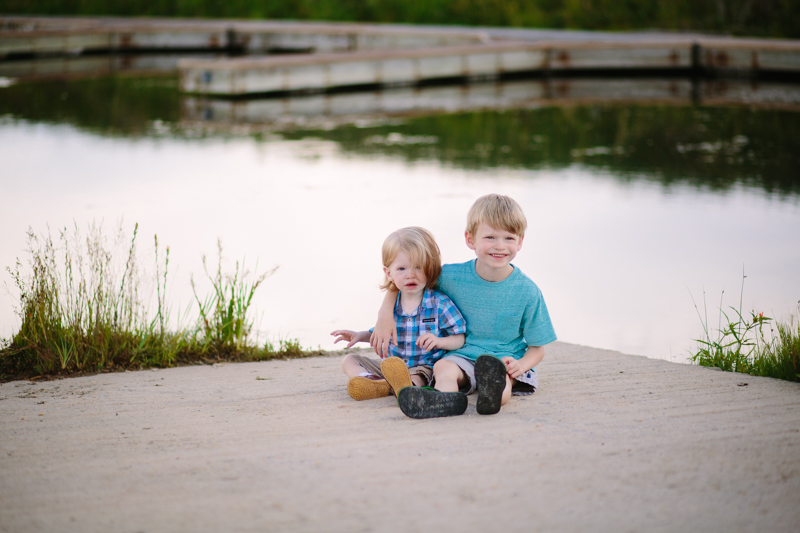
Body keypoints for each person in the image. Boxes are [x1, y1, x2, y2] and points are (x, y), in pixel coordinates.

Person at [371, 194, 557, 418]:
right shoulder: (451, 276)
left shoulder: (528, 291)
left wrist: (522, 365)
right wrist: (384, 313)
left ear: (520, 241)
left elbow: (538, 348)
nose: (500, 246)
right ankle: (444, 400)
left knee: (502, 380)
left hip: (505, 360)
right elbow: (409, 282)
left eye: (509, 238)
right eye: (489, 237)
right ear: (470, 239)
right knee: (442, 368)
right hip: (461, 356)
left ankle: (493, 396)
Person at [331, 227, 467, 406]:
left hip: (424, 366)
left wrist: (440, 341)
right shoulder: (392, 307)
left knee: (418, 376)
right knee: (349, 360)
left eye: (418, 267)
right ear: (389, 273)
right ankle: (373, 381)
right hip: (390, 367)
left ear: (429, 268)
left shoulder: (440, 304)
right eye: (401, 268)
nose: (411, 274)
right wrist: (359, 335)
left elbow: (460, 338)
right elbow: (379, 334)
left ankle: (405, 387)